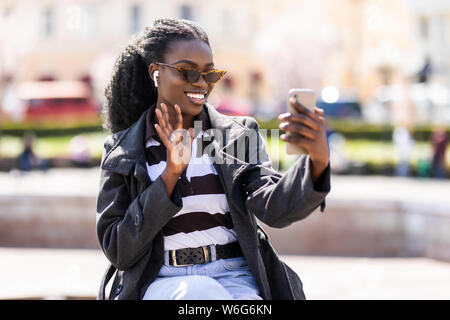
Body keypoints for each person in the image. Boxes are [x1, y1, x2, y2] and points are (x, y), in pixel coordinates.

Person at [96, 18, 330, 300]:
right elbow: (119, 249)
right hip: (160, 280)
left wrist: (316, 162)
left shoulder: (236, 136)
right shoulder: (124, 151)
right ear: (156, 73)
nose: (201, 83)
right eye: (187, 72)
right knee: (201, 293)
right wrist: (170, 176)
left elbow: (274, 209)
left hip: (235, 276)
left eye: (209, 74)